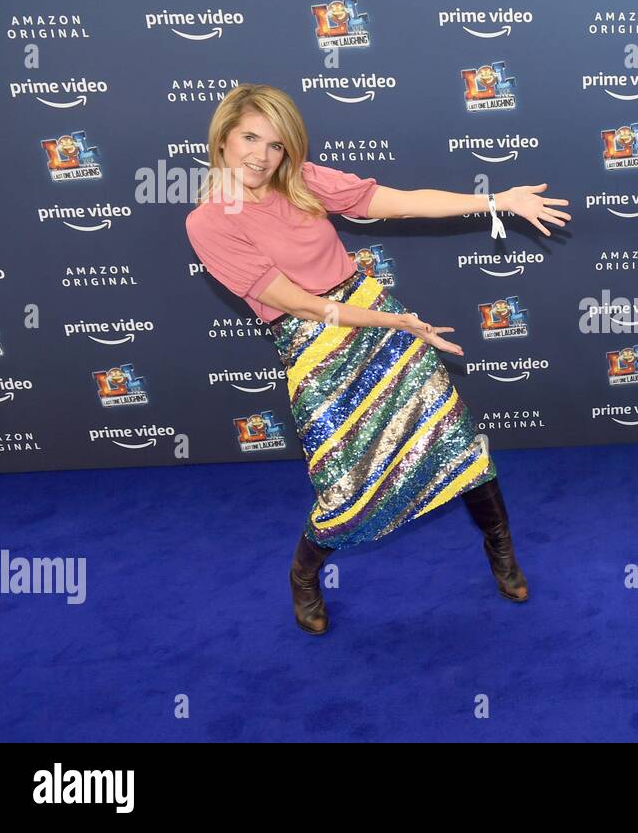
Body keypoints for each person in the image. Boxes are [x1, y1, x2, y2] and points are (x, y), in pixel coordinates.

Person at [184, 84, 571, 635]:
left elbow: (402, 200)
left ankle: (502, 551)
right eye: (249, 138)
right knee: (345, 482)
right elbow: (298, 303)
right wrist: (396, 322)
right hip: (315, 344)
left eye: (275, 145)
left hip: (373, 315)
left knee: (455, 438)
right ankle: (303, 575)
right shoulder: (208, 223)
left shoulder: (302, 181)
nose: (261, 156)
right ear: (222, 138)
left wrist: (495, 201)